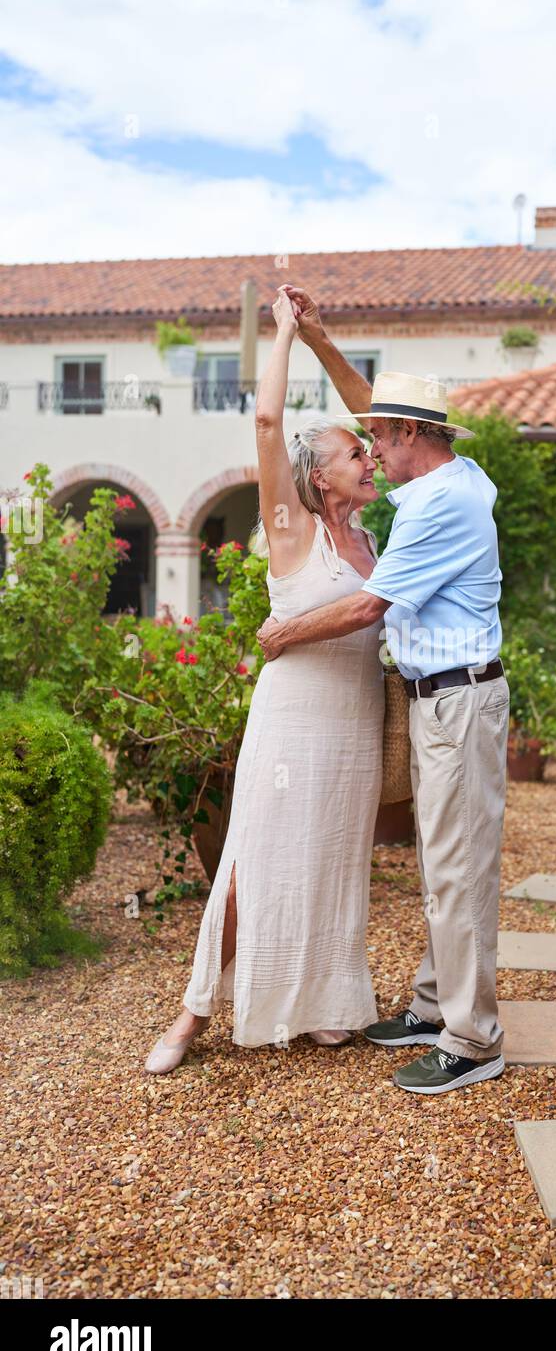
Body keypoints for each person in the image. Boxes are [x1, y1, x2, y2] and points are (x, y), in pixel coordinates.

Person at [256, 284, 509, 1096]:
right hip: (445, 696)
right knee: (444, 860)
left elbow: (367, 606)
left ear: (409, 437)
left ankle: (473, 1041)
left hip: (459, 699)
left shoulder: (438, 507)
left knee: (458, 869)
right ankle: (436, 1006)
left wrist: (277, 636)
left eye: (378, 438)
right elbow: (382, 409)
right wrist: (323, 341)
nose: (370, 447)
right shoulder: (455, 472)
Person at [144, 287, 384, 1073]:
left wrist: (323, 335)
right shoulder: (291, 529)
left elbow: (391, 424)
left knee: (335, 853)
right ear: (320, 478)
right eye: (356, 454)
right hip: (293, 717)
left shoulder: (374, 542)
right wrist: (281, 332)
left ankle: (319, 1002)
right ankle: (192, 1013)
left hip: (355, 716)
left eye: (368, 451)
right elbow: (267, 424)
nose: (370, 459)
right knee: (257, 859)